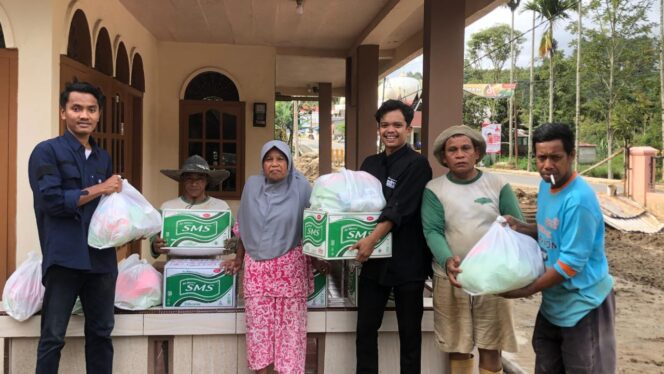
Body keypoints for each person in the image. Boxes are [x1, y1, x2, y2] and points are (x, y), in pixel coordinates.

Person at [502, 123, 616, 374]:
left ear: (571, 155)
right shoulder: (546, 185)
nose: (547, 165)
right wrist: (521, 227)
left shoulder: (579, 201)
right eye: (541, 157)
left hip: (583, 304)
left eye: (556, 157)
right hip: (554, 303)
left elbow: (570, 263)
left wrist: (526, 290)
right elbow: (549, 232)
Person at [28, 81, 123, 374]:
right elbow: (51, 200)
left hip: (101, 260)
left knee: (101, 335)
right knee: (53, 337)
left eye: (91, 109)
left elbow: (107, 210)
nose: (84, 115)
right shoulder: (46, 152)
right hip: (64, 259)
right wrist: (101, 188)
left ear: (99, 115)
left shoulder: (102, 157)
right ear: (63, 112)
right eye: (76, 108)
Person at [421, 125, 523, 374]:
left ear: (477, 153)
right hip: (452, 277)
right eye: (452, 150)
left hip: (493, 279)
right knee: (458, 345)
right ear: (444, 158)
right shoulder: (435, 189)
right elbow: (432, 230)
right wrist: (447, 260)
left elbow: (515, 224)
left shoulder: (497, 184)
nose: (459, 154)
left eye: (466, 148)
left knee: (491, 345)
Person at [222, 140, 318, 374]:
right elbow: (243, 226)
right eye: (269, 159)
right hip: (257, 270)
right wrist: (238, 258)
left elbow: (314, 227)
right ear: (262, 163)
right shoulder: (252, 187)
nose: (274, 164)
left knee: (290, 334)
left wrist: (319, 259)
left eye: (280, 159)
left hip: (290, 271)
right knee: (258, 333)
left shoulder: (302, 187)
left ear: (288, 162)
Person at [351, 99, 433, 374]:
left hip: (407, 261)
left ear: (408, 129)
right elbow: (357, 204)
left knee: (410, 335)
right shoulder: (370, 163)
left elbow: (399, 209)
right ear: (378, 129)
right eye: (385, 125)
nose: (390, 130)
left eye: (397, 125)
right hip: (373, 263)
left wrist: (371, 240)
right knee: (365, 330)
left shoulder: (418, 165)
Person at [151, 154, 230, 258]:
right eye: (189, 179)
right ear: (183, 180)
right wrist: (155, 246)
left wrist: (234, 243)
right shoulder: (167, 208)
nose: (194, 184)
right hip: (175, 269)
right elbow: (154, 238)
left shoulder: (221, 208)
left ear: (207, 181)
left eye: (200, 179)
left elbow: (235, 237)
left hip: (211, 269)